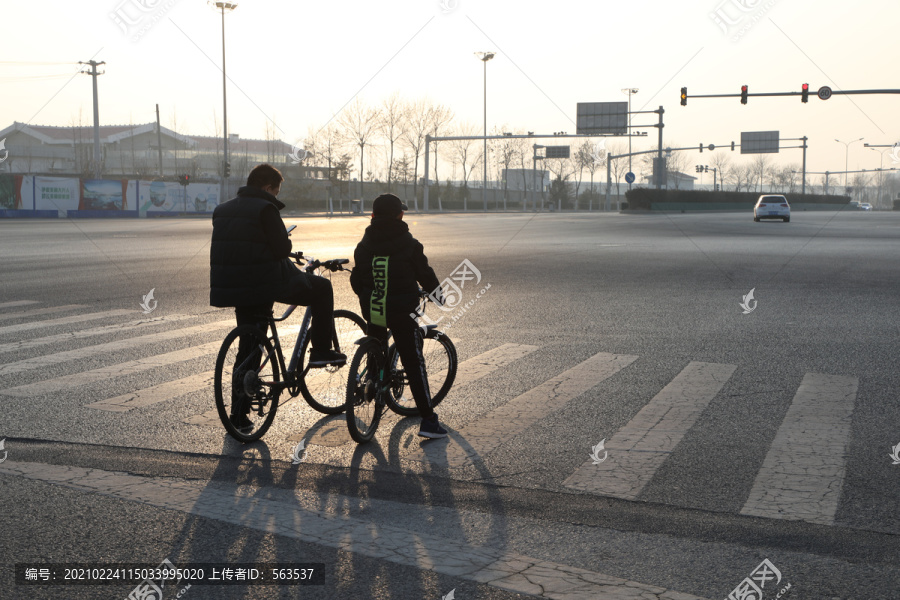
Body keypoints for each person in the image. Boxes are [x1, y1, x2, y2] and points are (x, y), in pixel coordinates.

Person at [210, 164, 345, 431]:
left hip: (233, 286)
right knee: (322, 289)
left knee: (248, 346)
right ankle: (319, 351)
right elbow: (282, 248)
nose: (275, 195)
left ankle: (239, 416)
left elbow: (239, 244)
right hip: (267, 282)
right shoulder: (265, 208)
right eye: (275, 190)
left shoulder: (222, 210)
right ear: (267, 187)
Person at [349, 193, 448, 439]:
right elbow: (425, 274)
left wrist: (367, 295)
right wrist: (439, 297)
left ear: (373, 216)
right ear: (400, 215)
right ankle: (428, 421)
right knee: (414, 363)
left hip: (374, 308)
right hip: (403, 311)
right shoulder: (409, 244)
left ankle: (372, 381)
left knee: (377, 344)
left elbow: (356, 278)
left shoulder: (363, 245)